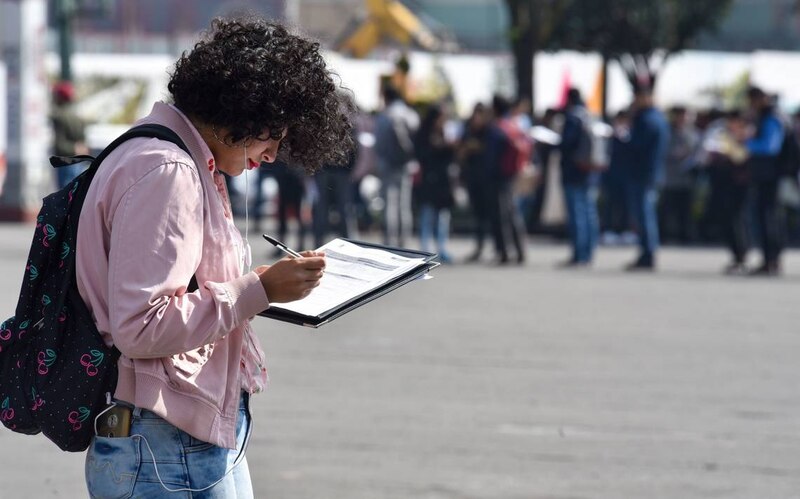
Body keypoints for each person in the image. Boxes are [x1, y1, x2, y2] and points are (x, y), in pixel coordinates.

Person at [77, 16, 353, 498]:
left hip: (164, 444)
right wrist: (260, 290)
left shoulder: (158, 152)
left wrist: (263, 287)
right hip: (168, 449)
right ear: (243, 109)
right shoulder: (169, 170)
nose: (271, 155)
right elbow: (142, 326)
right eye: (273, 135)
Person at [625, 85, 670, 271]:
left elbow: (636, 145)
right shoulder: (659, 118)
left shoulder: (646, 119)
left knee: (644, 215)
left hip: (643, 173)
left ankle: (648, 253)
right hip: (652, 172)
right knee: (646, 214)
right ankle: (647, 252)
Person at [744, 86, 785, 275]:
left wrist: (746, 143)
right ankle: (769, 259)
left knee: (768, 219)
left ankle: (771, 260)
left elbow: (770, 147)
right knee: (764, 218)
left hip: (770, 177)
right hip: (764, 176)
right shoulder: (765, 117)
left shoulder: (771, 118)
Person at [557, 88, 600, 267]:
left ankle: (579, 254)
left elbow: (567, 144)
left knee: (577, 214)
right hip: (590, 170)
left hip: (573, 171)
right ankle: (589, 252)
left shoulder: (572, 118)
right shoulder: (590, 115)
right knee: (589, 213)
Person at [374, 84, 419, 247]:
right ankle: (404, 241)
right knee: (404, 205)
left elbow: (378, 144)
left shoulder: (385, 116)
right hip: (406, 164)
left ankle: (389, 241)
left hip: (387, 164)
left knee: (390, 205)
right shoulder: (410, 114)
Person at [485, 95, 529, 265]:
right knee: (513, 213)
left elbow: (490, 157)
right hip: (511, 175)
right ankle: (520, 251)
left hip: (497, 177)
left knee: (501, 215)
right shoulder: (513, 125)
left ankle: (504, 252)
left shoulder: (495, 128)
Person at [414, 104, 456, 262]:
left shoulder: (444, 132)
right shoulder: (424, 135)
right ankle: (425, 249)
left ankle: (441, 248)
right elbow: (423, 155)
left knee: (443, 217)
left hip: (443, 181)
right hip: (429, 180)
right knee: (428, 215)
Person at [659, 106, 699, 244]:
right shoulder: (667, 132)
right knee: (667, 207)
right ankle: (664, 235)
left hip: (687, 177)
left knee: (686, 209)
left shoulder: (692, 132)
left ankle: (685, 235)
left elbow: (697, 150)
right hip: (671, 176)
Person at [458, 103, 491, 262]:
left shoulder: (487, 131)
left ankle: (491, 247)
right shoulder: (468, 130)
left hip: (486, 178)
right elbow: (461, 150)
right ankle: (479, 246)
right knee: (478, 215)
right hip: (473, 177)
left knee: (487, 215)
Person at [50, 80, 89, 188]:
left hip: (64, 163)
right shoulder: (78, 117)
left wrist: (73, 148)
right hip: (78, 163)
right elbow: (83, 144)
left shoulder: (59, 117)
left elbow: (60, 145)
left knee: (64, 197)